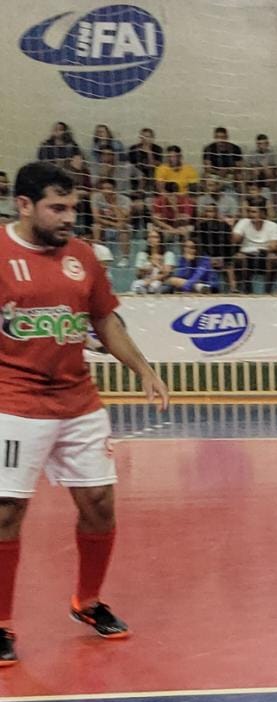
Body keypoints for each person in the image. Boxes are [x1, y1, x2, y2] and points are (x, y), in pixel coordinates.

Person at [0, 162, 170, 665]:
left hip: (78, 400)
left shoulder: (83, 257)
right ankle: (1, 623)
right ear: (24, 205)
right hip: (14, 400)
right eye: (57, 207)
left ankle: (88, 602)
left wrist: (142, 368)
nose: (69, 217)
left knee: (99, 505)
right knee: (8, 512)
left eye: (73, 206)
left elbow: (104, 319)